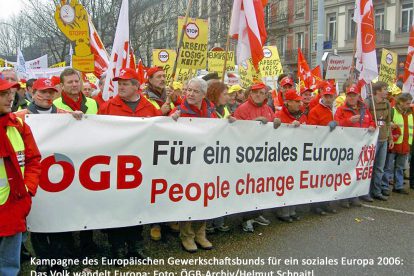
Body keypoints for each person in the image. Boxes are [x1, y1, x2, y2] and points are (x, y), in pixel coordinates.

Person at [99, 68, 158, 258]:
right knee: (116, 207)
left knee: (137, 205)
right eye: (119, 84)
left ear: (136, 86)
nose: (121, 87)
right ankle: (117, 246)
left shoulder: (149, 108)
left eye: (125, 83)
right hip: (115, 167)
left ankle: (135, 244)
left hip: (141, 168)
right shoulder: (108, 107)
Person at [0, 77, 41, 275]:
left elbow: (34, 160)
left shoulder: (19, 125)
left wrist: (28, 188)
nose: (10, 98)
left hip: (14, 205)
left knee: (9, 264)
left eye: (11, 93)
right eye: (3, 94)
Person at [170, 78, 216, 252]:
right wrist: (171, 121)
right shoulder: (179, 111)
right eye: (188, 90)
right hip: (186, 165)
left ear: (203, 95)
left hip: (205, 162)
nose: (190, 93)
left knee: (204, 198)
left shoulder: (210, 111)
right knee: (188, 198)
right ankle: (186, 235)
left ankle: (200, 233)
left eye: (195, 91)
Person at [233, 83, 274, 232]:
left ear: (265, 95)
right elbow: (235, 131)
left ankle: (257, 214)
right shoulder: (242, 108)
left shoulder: (268, 108)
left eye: (261, 93)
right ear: (250, 93)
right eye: (255, 92)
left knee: (260, 186)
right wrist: (253, 124)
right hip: (247, 155)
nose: (258, 95)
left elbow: (273, 129)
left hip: (264, 154)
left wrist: (276, 123)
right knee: (248, 187)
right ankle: (246, 218)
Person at [334, 84, 376, 208]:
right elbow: (336, 124)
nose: (351, 98)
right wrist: (348, 121)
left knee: (358, 172)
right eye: (349, 95)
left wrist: (372, 126)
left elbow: (371, 120)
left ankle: (355, 195)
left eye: (354, 95)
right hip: (347, 147)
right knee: (346, 172)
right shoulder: (341, 110)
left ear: (358, 96)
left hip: (362, 147)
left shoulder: (364, 109)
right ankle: (344, 197)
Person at [274, 89, 306, 222]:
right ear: (288, 102)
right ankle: (283, 211)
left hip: (298, 154)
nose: (300, 103)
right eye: (297, 101)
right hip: (285, 155)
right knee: (285, 182)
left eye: (300, 101)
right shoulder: (279, 115)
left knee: (295, 182)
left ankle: (292, 210)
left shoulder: (302, 114)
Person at [306, 82, 338, 214]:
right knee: (318, 177)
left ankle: (326, 203)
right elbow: (312, 130)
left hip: (331, 148)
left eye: (330, 96)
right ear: (322, 96)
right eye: (326, 96)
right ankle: (316, 205)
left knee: (329, 177)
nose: (328, 99)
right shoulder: (315, 111)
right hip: (320, 149)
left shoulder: (335, 109)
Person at [364, 81, 393, 201]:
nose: (386, 91)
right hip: (372, 140)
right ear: (377, 91)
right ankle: (365, 192)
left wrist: (390, 137)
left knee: (380, 168)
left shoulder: (387, 103)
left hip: (383, 139)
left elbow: (387, 121)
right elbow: (365, 119)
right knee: (369, 167)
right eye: (384, 89)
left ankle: (377, 191)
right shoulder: (368, 102)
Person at [382, 93, 413, 195]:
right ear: (401, 102)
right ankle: (385, 187)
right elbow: (386, 122)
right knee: (388, 166)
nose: (409, 105)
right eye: (407, 103)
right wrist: (390, 124)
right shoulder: (393, 111)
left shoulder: (409, 113)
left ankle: (398, 186)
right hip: (394, 143)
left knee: (399, 167)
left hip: (404, 144)